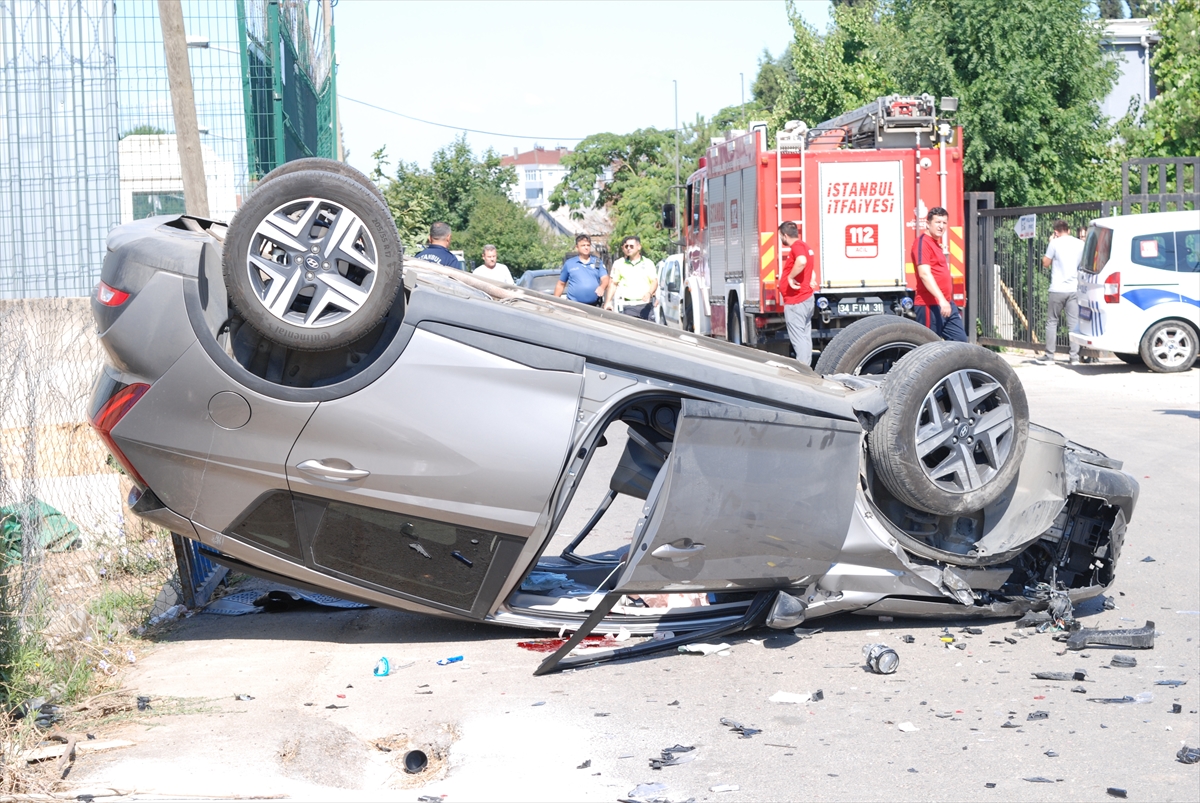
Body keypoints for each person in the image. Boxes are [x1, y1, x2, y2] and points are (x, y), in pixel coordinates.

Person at [912, 207, 968, 342]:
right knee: (928, 347)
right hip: (929, 305)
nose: (941, 226)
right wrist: (941, 300)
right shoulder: (922, 243)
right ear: (928, 223)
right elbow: (924, 274)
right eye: (937, 222)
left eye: (944, 223)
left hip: (947, 304)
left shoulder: (936, 244)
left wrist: (946, 301)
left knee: (961, 342)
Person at [1038, 219, 1084, 365]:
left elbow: (1045, 263)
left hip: (1057, 289)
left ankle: (1050, 356)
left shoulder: (1054, 243)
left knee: (1052, 322)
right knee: (1073, 323)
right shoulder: (1080, 243)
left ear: (1056, 232)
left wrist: (1051, 241)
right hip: (1074, 288)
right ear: (1068, 230)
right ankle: (1074, 357)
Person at [778, 221, 818, 365]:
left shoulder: (797, 248)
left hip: (797, 301)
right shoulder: (805, 247)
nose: (780, 239)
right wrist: (811, 279)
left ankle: (802, 370)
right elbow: (810, 267)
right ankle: (806, 367)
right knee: (805, 337)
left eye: (780, 236)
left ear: (785, 235)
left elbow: (801, 261)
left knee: (799, 338)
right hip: (806, 298)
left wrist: (790, 277)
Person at [605, 236, 658, 319]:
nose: (628, 248)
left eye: (631, 246)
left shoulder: (648, 263)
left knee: (647, 331)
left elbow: (654, 282)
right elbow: (613, 284)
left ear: (639, 247)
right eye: (626, 246)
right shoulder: (619, 263)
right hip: (628, 306)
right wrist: (608, 301)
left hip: (645, 305)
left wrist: (649, 293)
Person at [555, 234, 608, 306]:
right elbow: (561, 284)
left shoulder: (597, 262)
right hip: (574, 305)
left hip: (594, 305)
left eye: (588, 245)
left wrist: (602, 287)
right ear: (577, 247)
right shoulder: (570, 263)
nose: (586, 247)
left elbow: (605, 278)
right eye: (583, 245)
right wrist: (555, 302)